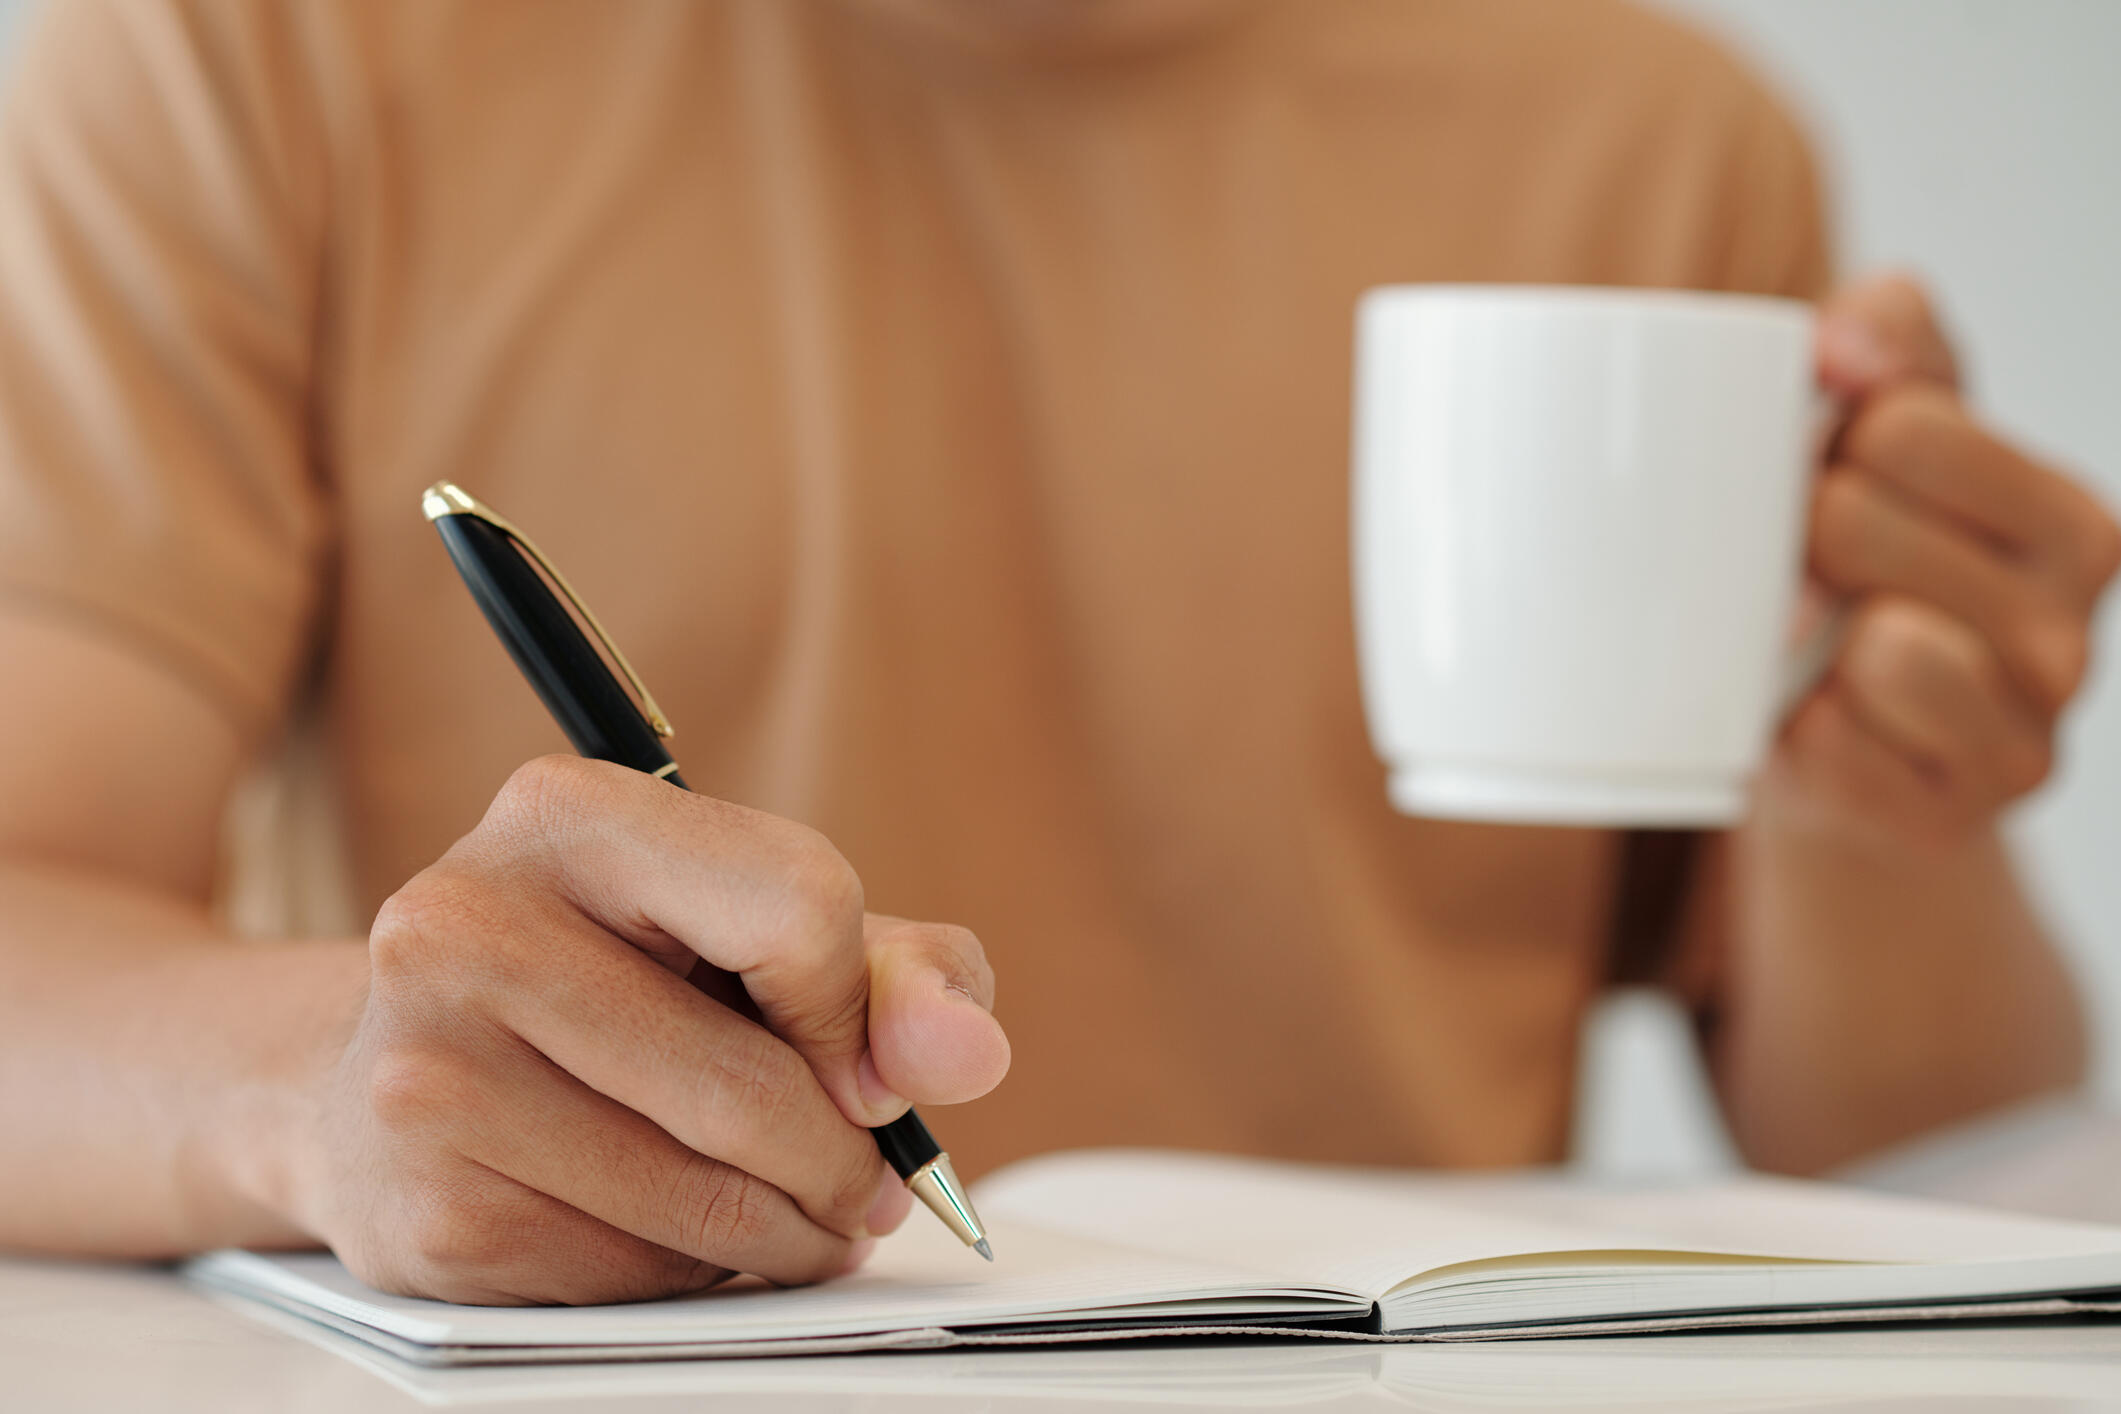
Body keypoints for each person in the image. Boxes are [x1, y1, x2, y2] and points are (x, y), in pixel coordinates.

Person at [0, 0, 2113, 1307]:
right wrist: (330, 1090)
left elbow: (1908, 1158)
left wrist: (1875, 802)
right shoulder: (254, 39)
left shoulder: (1663, 140)